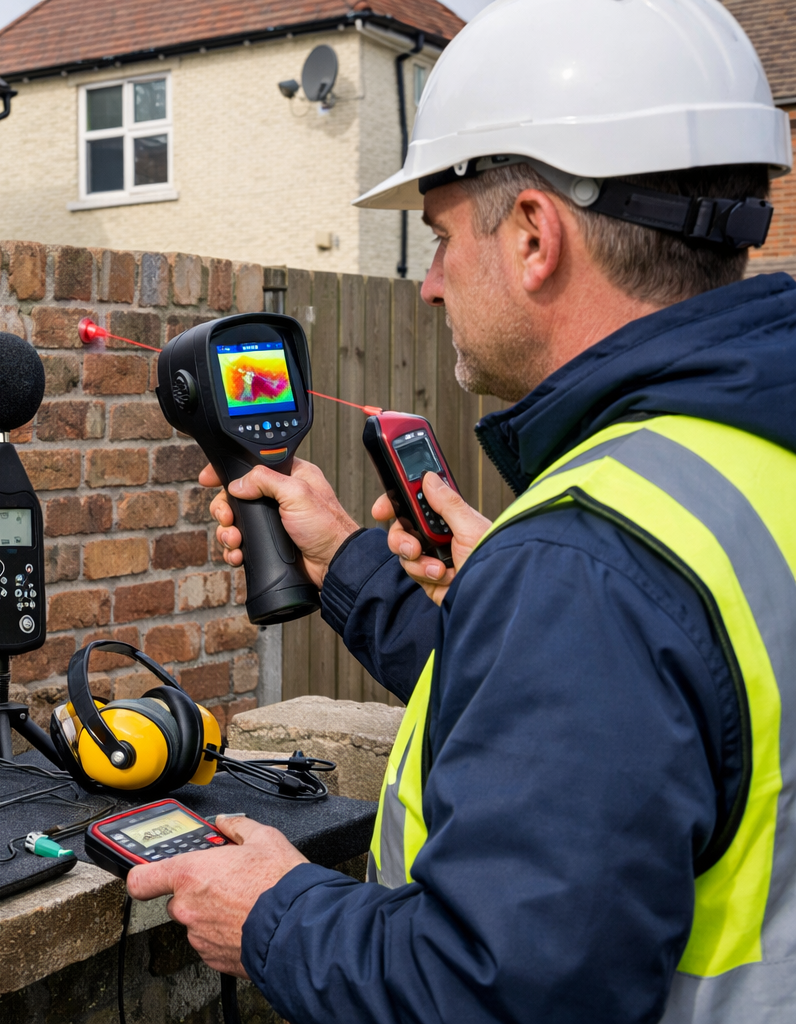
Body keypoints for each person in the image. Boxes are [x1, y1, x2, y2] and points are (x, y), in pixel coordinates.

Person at [124, 1, 795, 1021]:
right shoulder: (741, 461)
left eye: (439, 238)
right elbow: (647, 728)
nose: (430, 285)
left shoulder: (590, 570)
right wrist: (348, 557)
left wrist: (271, 913)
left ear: (534, 234)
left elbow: (494, 988)